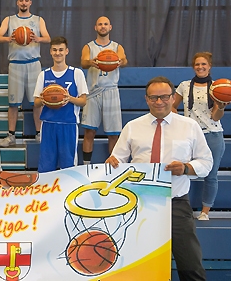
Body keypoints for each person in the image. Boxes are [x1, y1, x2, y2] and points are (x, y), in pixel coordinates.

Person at [106, 76, 212, 280]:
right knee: (138, 263)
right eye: (153, 97)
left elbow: (206, 162)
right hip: (139, 204)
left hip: (176, 203)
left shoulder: (189, 126)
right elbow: (117, 160)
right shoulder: (132, 127)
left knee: (190, 263)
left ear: (173, 98)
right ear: (146, 99)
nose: (159, 102)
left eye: (164, 96)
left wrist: (187, 168)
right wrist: (111, 162)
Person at [173, 52, 230, 221]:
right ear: (193, 67)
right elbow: (172, 106)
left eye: (204, 64)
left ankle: (205, 212)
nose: (200, 67)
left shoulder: (217, 87)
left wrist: (220, 106)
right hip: (189, 135)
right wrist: (180, 121)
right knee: (184, 172)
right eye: (197, 64)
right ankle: (184, 209)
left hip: (212, 134)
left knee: (211, 175)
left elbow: (215, 117)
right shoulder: (184, 85)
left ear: (210, 66)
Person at [0, 0, 51, 147]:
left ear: (30, 2)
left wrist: (37, 38)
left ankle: (39, 133)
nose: (24, 3)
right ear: (17, 2)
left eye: (26, 0)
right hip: (16, 64)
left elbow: (48, 38)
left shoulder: (38, 20)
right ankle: (10, 135)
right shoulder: (9, 20)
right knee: (13, 103)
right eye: (21, 0)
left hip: (33, 63)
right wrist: (9, 38)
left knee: (37, 102)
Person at [33, 36, 88, 173]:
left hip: (68, 124)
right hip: (48, 124)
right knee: (46, 165)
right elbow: (36, 102)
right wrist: (46, 100)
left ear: (67, 51)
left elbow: (83, 101)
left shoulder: (77, 73)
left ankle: (68, 192)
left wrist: (68, 98)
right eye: (55, 50)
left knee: (68, 165)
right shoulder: (43, 75)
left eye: (61, 50)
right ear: (50, 52)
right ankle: (46, 193)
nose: (58, 53)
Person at [80, 16, 128, 164]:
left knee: (114, 134)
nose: (103, 26)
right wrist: (90, 62)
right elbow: (83, 63)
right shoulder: (88, 47)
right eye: (100, 24)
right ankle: (86, 165)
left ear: (110, 27)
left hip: (111, 91)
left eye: (105, 24)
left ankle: (113, 167)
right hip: (93, 92)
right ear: (95, 27)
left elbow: (124, 60)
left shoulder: (117, 47)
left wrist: (120, 62)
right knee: (89, 131)